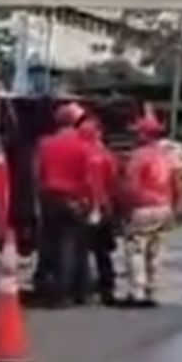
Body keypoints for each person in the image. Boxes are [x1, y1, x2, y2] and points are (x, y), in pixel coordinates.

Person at [119, 105, 182, 305]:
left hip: (142, 207)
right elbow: (177, 183)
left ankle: (137, 291)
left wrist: (124, 208)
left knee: (136, 248)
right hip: (164, 206)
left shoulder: (138, 157)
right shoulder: (167, 157)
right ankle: (152, 291)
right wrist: (175, 206)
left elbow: (130, 186)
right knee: (155, 249)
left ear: (144, 135)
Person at [33, 102, 94, 307]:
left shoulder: (44, 144)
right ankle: (70, 291)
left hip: (49, 198)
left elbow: (37, 174)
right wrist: (88, 202)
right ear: (76, 122)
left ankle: (47, 287)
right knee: (72, 245)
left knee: (50, 244)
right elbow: (88, 178)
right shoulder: (84, 146)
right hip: (74, 199)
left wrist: (38, 197)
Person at [78, 115, 118, 305]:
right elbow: (113, 181)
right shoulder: (106, 155)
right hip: (103, 206)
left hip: (84, 206)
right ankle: (106, 286)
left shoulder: (80, 154)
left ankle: (82, 287)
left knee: (81, 249)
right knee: (103, 251)